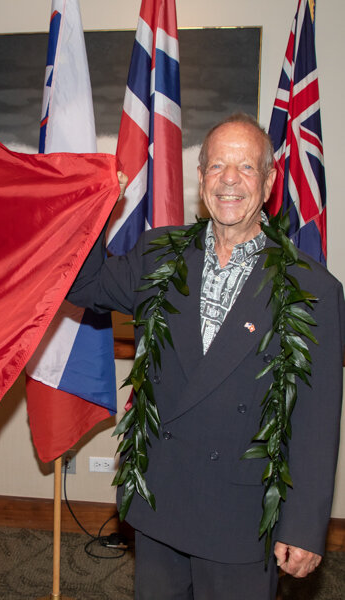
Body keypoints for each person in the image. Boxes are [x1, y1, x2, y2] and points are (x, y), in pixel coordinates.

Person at [67, 113, 344, 599]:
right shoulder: (158, 256)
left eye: (246, 167)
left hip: (238, 513)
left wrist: (303, 525)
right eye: (217, 166)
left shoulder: (312, 289)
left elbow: (317, 420)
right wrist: (94, 206)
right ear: (200, 178)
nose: (230, 180)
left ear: (270, 181)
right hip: (162, 500)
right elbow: (85, 283)